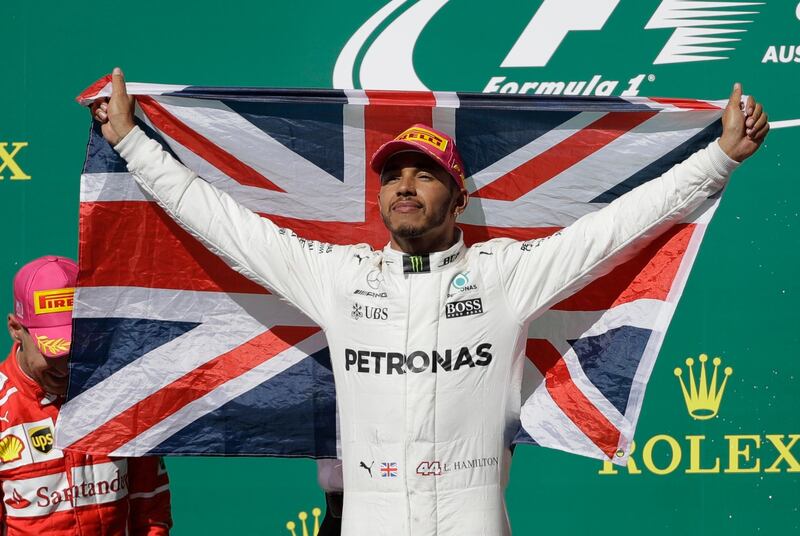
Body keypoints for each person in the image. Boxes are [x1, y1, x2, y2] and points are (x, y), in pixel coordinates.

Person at [92, 68, 767, 536]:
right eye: (393, 176)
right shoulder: (338, 278)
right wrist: (129, 141)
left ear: (461, 197)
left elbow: (617, 226)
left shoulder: (505, 274)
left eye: (426, 174)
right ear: (378, 197)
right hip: (370, 515)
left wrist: (719, 158)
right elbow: (223, 223)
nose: (405, 186)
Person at [2, 255, 173, 535]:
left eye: (80, 348)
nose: (66, 366)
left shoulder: (120, 393)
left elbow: (151, 509)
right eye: (54, 350)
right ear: (16, 329)